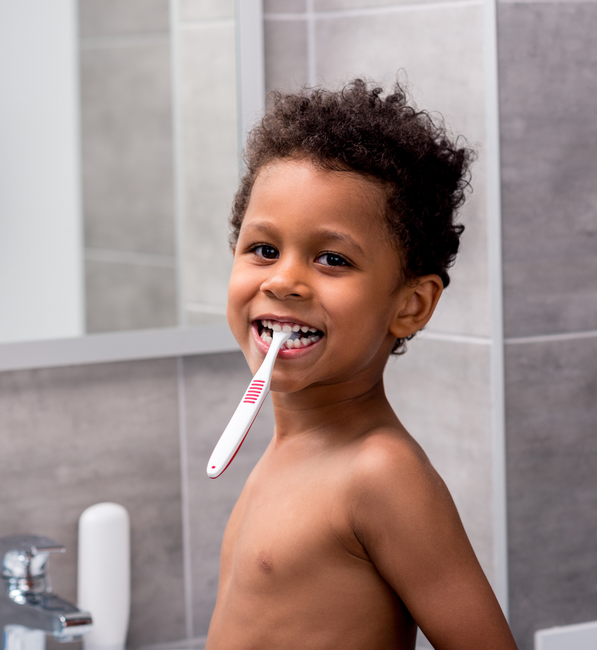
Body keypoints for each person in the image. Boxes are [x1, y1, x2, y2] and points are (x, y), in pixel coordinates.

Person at [207, 80, 516, 649]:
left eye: (332, 258)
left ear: (410, 304)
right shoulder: (287, 451)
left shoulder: (381, 475)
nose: (282, 280)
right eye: (264, 249)